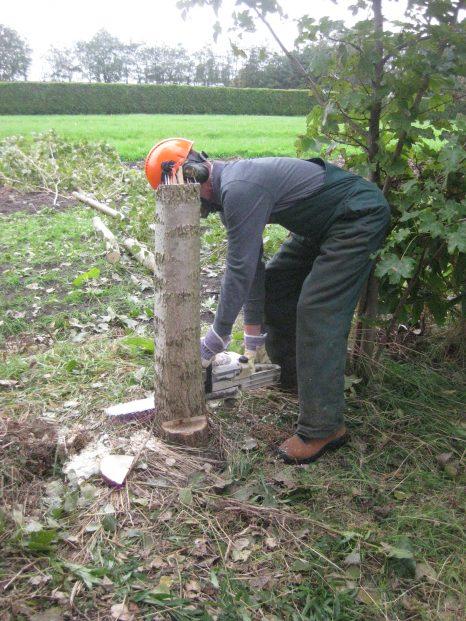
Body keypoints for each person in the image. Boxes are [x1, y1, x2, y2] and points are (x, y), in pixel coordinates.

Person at [145, 138, 391, 464]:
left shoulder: (238, 188)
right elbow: (254, 264)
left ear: (192, 177)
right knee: (279, 284)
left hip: (355, 216)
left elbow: (239, 269)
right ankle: (296, 381)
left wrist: (215, 339)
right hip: (320, 224)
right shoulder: (228, 191)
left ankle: (323, 428)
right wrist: (252, 335)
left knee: (317, 309)